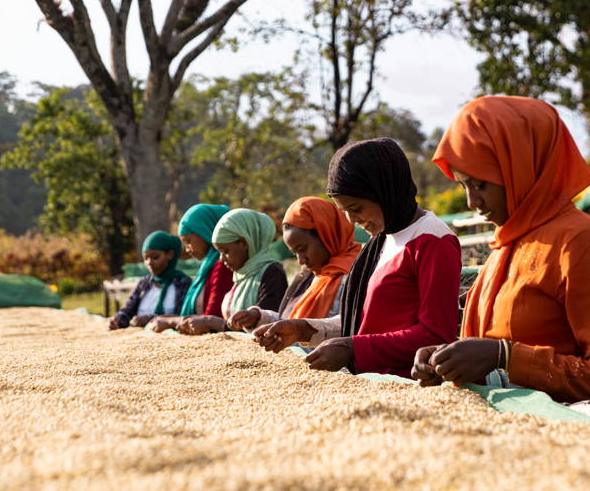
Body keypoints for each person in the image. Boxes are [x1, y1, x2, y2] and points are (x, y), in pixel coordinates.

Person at [411, 95, 590, 403]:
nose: (471, 202)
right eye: (463, 186)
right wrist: (450, 360)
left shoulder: (582, 243)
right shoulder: (508, 243)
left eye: (480, 185)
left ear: (521, 167)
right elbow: (496, 352)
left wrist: (506, 356)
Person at [254, 138, 462, 378]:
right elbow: (361, 323)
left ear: (385, 191)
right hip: (370, 381)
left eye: (357, 208)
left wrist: (354, 349)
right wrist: (303, 329)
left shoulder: (432, 240)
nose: (351, 220)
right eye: (345, 211)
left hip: (407, 385)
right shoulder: (381, 240)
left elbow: (436, 335)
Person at [228, 196, 360, 331]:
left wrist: (301, 332)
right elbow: (290, 320)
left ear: (327, 235)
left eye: (303, 249)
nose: (301, 260)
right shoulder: (311, 276)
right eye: (294, 253)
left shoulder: (355, 276)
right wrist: (259, 317)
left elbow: (348, 329)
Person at [182, 208, 287, 334]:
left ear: (244, 243)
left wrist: (211, 321)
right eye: (219, 252)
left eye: (225, 251)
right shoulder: (241, 275)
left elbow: (266, 325)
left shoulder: (271, 273)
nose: (221, 259)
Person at [147, 203, 233, 333]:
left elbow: (210, 319)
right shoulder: (207, 267)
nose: (187, 249)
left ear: (206, 231)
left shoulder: (223, 266)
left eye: (188, 241)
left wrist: (172, 321)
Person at [107, 231, 192, 329]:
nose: (149, 263)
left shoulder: (183, 283)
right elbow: (128, 309)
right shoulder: (144, 283)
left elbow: (183, 316)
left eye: (155, 257)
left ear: (170, 254)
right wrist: (117, 320)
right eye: (145, 258)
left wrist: (149, 319)